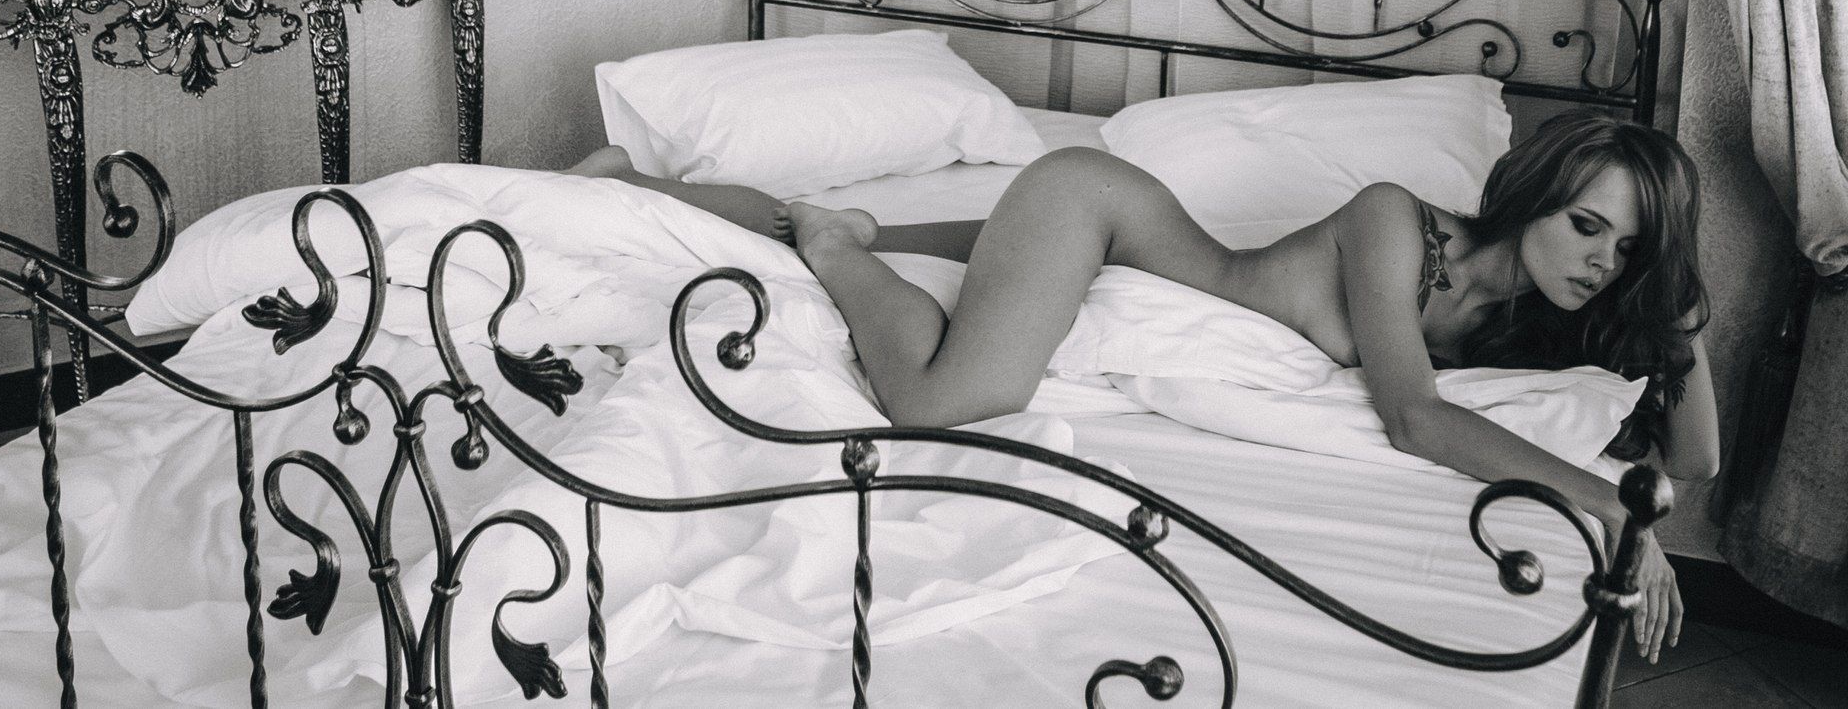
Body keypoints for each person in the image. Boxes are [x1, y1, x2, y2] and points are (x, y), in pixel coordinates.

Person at [572, 107, 1715, 663]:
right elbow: (1415, 416)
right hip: (1100, 211)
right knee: (932, 402)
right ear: (1534, 192)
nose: (1597, 260)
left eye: (1623, 248)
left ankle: (645, 188)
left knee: (850, 238)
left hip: (1120, 266)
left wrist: (1677, 306)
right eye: (1585, 224)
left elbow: (1700, 458)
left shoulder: (1531, 323)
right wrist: (1616, 510)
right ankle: (832, 245)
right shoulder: (1394, 223)